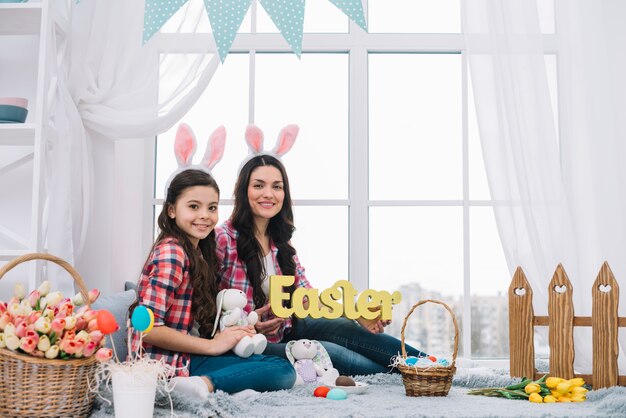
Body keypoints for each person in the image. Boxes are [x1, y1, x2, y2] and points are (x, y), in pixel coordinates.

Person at [215, 145, 427, 376]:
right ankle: (410, 374)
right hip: (249, 345)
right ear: (243, 190)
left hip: (288, 327)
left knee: (348, 328)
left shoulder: (281, 243)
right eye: (258, 185)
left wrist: (357, 313)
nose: (269, 193)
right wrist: (250, 326)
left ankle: (435, 366)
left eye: (277, 187)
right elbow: (206, 310)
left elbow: (307, 297)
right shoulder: (223, 239)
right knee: (329, 352)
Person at [133, 168, 296, 397]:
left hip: (189, 356)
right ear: (171, 210)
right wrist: (212, 346)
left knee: (273, 364)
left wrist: (239, 328)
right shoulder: (172, 252)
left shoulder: (197, 250)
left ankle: (212, 385)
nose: (205, 215)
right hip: (166, 363)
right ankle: (203, 385)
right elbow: (146, 330)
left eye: (212, 208)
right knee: (282, 369)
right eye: (193, 206)